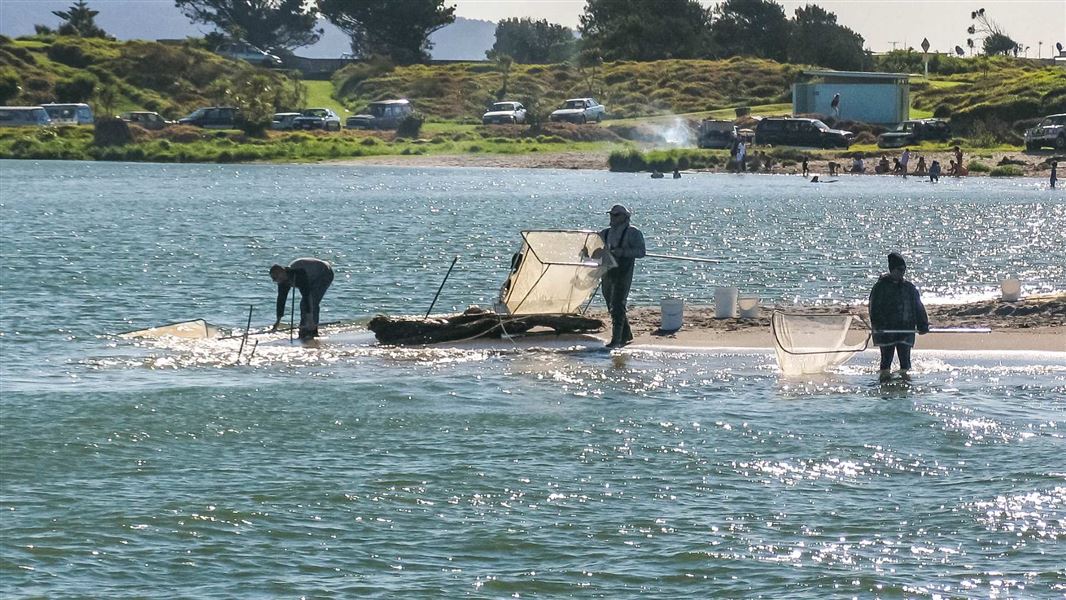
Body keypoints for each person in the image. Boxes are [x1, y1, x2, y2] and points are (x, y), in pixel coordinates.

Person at [869, 252, 929, 382]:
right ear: (892, 270)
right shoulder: (880, 287)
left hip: (905, 330)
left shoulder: (909, 288)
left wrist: (923, 324)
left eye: (904, 270)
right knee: (886, 361)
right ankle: (885, 385)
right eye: (899, 270)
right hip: (886, 331)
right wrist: (877, 325)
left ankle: (905, 385)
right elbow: (874, 308)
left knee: (905, 363)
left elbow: (918, 306)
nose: (902, 273)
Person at [598, 204, 646, 348]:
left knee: (618, 304)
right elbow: (597, 253)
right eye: (611, 215)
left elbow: (641, 252)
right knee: (610, 303)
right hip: (607, 272)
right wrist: (587, 253)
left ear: (625, 217)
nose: (613, 218)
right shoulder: (604, 233)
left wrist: (622, 252)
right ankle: (626, 334)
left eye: (616, 215)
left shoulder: (633, 233)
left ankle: (617, 339)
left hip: (623, 271)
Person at [270, 257, 334, 339]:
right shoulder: (282, 281)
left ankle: (312, 329)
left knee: (311, 301)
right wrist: (277, 322)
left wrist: (310, 319)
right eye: (273, 279)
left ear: (282, 272)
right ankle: (304, 330)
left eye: (275, 278)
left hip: (324, 272)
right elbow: (281, 300)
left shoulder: (299, 274)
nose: (274, 281)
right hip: (311, 275)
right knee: (305, 304)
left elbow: (306, 295)